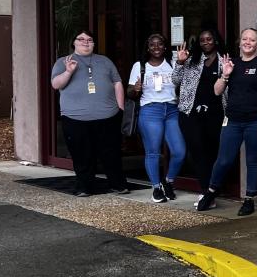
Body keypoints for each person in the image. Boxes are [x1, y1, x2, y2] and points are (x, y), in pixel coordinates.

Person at [197, 27, 257, 215]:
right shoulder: (231, 63)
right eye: (245, 39)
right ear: (239, 42)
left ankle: (249, 200)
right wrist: (225, 74)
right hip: (232, 121)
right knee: (224, 160)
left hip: (255, 121)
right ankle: (210, 192)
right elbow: (217, 91)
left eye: (252, 40)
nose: (248, 42)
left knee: (252, 161)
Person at [50, 29, 130, 196]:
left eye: (89, 39)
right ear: (74, 43)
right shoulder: (63, 62)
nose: (85, 42)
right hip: (75, 118)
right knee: (82, 155)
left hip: (108, 116)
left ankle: (118, 184)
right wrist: (68, 71)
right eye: (81, 39)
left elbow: (117, 83)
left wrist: (120, 108)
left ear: (94, 43)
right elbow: (56, 85)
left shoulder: (105, 61)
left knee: (111, 153)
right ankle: (84, 187)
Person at [128, 33, 186, 202]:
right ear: (148, 48)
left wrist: (181, 63)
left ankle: (168, 181)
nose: (156, 48)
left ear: (165, 47)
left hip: (172, 109)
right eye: (152, 45)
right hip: (150, 110)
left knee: (180, 151)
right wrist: (136, 89)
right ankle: (156, 188)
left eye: (159, 44)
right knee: (153, 152)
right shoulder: (139, 66)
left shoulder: (172, 63)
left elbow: (183, 82)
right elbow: (129, 92)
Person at [174, 28, 225, 192]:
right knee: (197, 151)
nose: (206, 42)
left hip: (216, 114)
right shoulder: (191, 61)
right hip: (191, 114)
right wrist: (180, 62)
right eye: (202, 40)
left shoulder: (224, 61)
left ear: (215, 40)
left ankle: (212, 189)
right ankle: (205, 190)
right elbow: (175, 80)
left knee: (213, 152)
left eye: (209, 39)